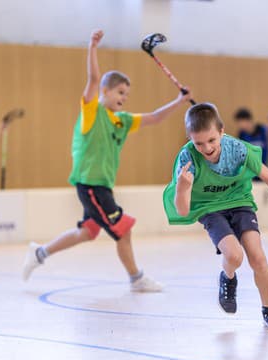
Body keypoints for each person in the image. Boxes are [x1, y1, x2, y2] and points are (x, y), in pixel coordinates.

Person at [22, 30, 192, 291]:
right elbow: (92, 78)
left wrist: (179, 101)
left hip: (101, 185)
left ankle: (39, 254)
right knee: (123, 229)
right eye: (120, 92)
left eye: (126, 95)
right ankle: (137, 278)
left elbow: (155, 117)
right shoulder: (92, 112)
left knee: (87, 232)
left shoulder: (122, 120)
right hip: (90, 185)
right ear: (104, 90)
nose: (123, 98)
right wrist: (92, 46)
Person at [163, 103, 268, 330]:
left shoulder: (237, 149)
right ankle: (228, 278)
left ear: (221, 131)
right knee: (235, 256)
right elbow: (183, 210)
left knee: (258, 258)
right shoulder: (187, 159)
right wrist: (182, 188)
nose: (207, 148)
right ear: (190, 138)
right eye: (198, 143)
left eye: (211, 140)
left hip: (239, 202)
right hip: (209, 207)